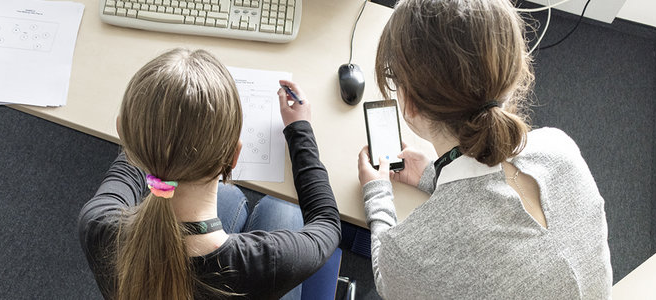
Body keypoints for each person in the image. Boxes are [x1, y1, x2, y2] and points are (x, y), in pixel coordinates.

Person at [356, 0, 613, 298]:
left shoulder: (410, 250)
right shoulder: (560, 149)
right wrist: (432, 175)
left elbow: (388, 283)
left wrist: (378, 195)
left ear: (409, 102)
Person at [77, 48, 340, 299]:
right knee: (282, 207)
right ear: (233, 157)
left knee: (231, 197)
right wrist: (299, 129)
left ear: (123, 134)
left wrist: (153, 121)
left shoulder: (97, 226)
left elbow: (133, 154)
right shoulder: (270, 262)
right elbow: (327, 222)